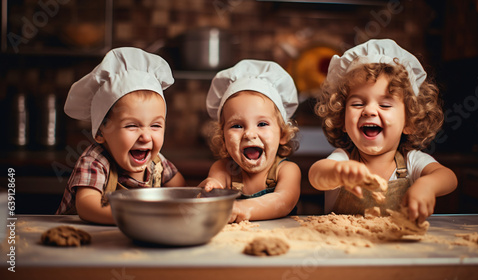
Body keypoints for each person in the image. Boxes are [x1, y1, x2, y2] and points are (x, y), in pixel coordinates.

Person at [308, 39, 457, 224]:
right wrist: (338, 172)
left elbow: (448, 177)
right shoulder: (342, 160)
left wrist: (427, 185)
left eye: (385, 104)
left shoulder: (412, 162)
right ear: (342, 120)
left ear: (409, 122)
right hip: (343, 250)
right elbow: (316, 175)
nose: (369, 111)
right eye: (357, 103)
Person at [56, 47, 186, 224]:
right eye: (132, 126)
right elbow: (87, 206)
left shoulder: (158, 163)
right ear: (101, 132)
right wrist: (131, 217)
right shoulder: (95, 161)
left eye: (155, 125)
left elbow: (183, 191)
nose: (146, 137)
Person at [199, 59, 301, 223]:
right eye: (237, 126)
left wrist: (242, 209)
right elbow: (212, 190)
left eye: (262, 124)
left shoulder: (287, 170)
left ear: (282, 134)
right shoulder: (224, 170)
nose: (249, 134)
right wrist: (210, 188)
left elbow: (284, 202)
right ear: (223, 138)